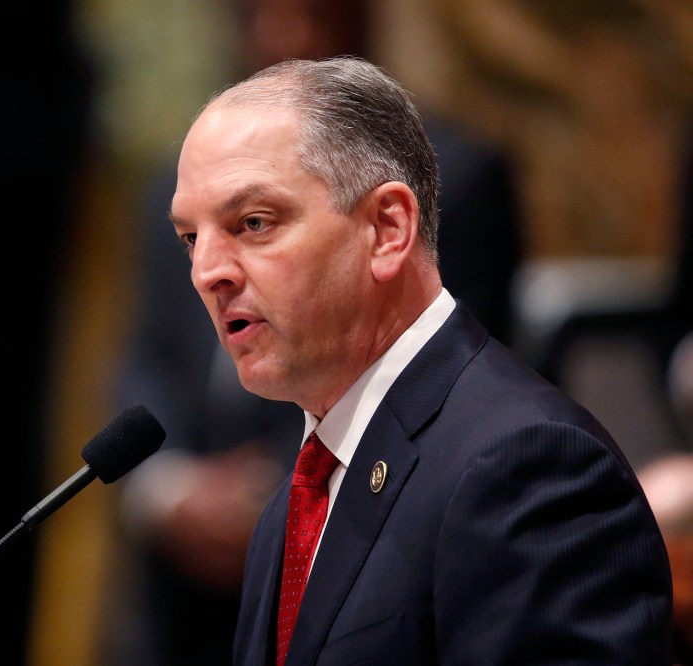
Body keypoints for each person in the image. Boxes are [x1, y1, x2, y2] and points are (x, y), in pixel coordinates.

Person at [167, 56, 673, 664]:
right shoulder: (295, 498)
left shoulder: (528, 464)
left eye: (253, 223)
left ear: (387, 228)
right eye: (192, 238)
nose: (207, 273)